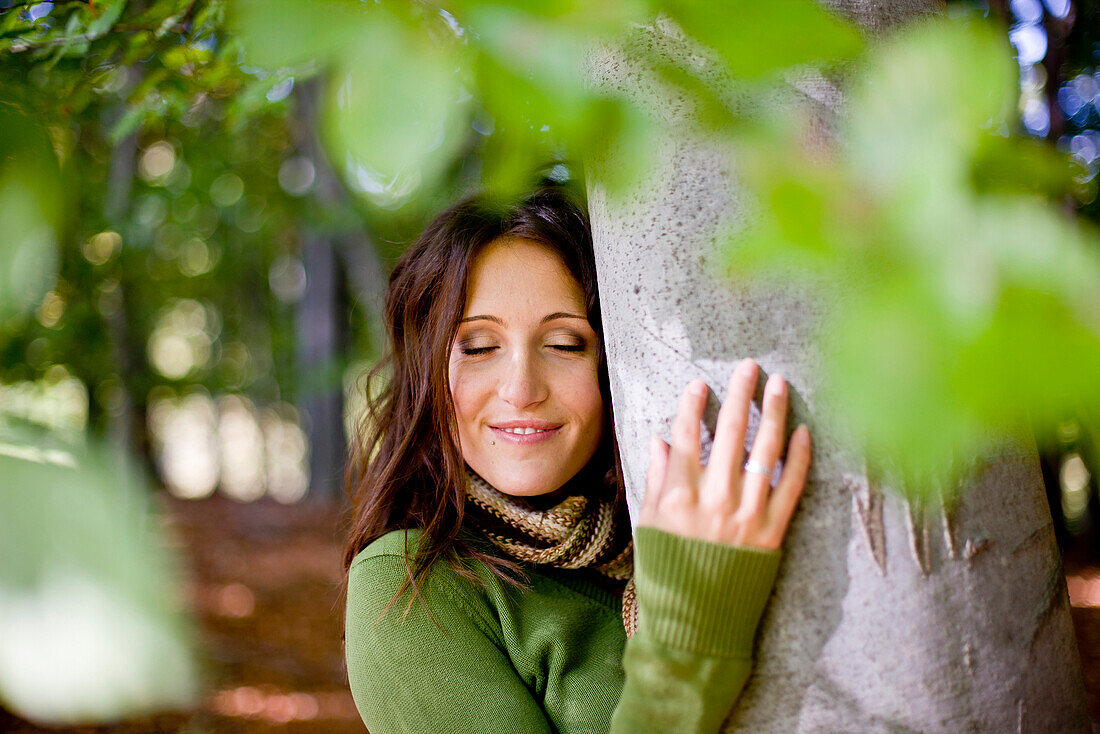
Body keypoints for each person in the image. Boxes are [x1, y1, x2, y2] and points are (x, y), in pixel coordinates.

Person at [342, 183, 811, 733]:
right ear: (427, 375)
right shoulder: (411, 586)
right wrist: (692, 634)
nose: (521, 389)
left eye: (566, 344)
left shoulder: (646, 537)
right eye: (478, 346)